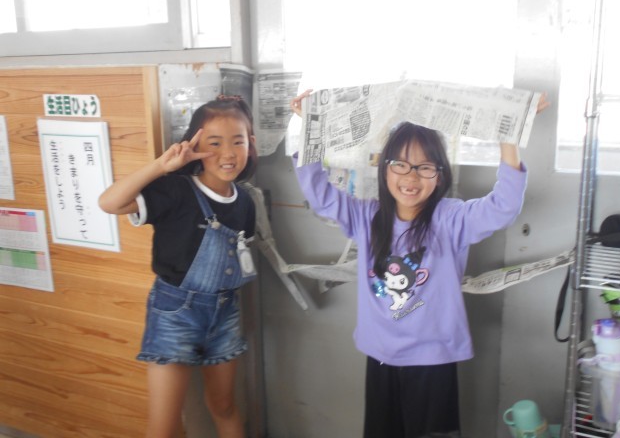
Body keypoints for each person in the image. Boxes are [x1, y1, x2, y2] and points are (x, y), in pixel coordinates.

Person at [289, 90, 548, 438]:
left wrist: (509, 135)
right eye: (400, 164)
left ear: (439, 175)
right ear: (385, 169)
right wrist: (307, 127)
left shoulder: (450, 218)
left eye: (425, 167)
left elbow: (503, 206)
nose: (411, 177)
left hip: (432, 360)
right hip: (381, 355)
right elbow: (321, 197)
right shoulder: (367, 216)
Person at [99, 95, 258, 438]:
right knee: (164, 427)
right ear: (194, 145)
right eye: (214, 143)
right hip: (175, 313)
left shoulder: (245, 201)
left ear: (251, 144)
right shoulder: (175, 190)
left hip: (225, 312)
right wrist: (161, 166)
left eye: (238, 142)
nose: (228, 153)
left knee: (225, 407)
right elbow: (109, 203)